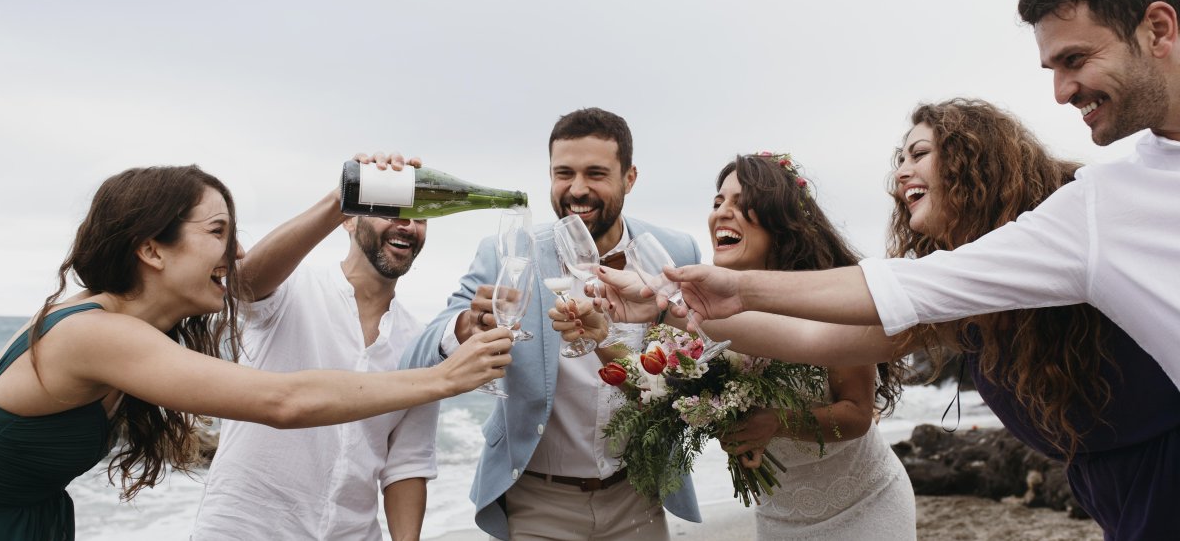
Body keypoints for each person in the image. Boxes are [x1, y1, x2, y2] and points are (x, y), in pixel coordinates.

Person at [621, 0, 1180, 392]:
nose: (1060, 92)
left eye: (1075, 59)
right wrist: (685, 301)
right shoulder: (1092, 212)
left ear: (1158, 29)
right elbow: (863, 311)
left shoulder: (1089, 202)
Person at [601, 99, 1180, 538]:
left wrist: (727, 293)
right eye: (899, 159)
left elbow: (854, 354)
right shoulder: (960, 289)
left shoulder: (1067, 228)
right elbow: (816, 338)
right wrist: (669, 310)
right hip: (1106, 482)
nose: (901, 172)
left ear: (979, 161)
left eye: (920, 153)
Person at [0, 163, 512, 541]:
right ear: (149, 249)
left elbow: (405, 461)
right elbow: (284, 400)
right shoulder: (94, 333)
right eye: (218, 233)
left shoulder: (121, 328)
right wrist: (447, 377)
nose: (236, 252)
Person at [554, 153, 915, 539]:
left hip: (864, 506)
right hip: (780, 517)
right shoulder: (702, 308)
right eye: (718, 202)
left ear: (781, 221)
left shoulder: (822, 297)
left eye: (743, 204)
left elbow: (858, 415)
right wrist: (600, 337)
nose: (723, 212)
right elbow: (651, 386)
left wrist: (775, 422)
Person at [401, 107, 701, 541]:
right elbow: (421, 354)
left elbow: (692, 366)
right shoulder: (505, 251)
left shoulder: (675, 249)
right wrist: (466, 326)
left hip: (638, 494)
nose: (577, 189)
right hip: (538, 500)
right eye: (564, 173)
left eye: (595, 173)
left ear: (629, 178)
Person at [193, 153, 443, 540]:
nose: (407, 224)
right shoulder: (293, 289)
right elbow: (243, 286)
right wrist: (344, 193)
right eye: (389, 209)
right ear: (348, 218)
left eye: (420, 215)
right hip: (245, 529)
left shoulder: (419, 341)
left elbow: (407, 464)